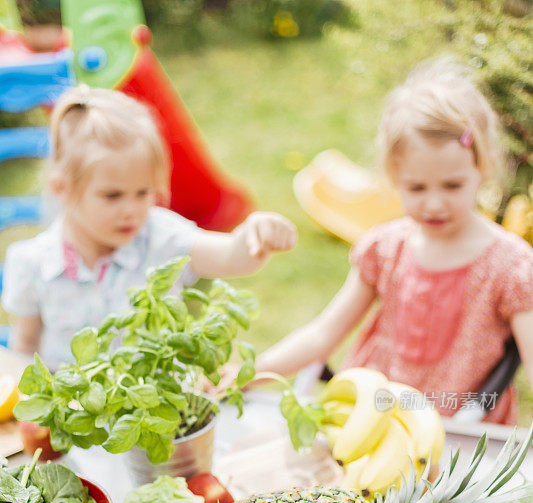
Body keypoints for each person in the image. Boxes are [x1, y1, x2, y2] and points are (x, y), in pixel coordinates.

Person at [254, 59, 533, 424]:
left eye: (452, 185)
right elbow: (323, 334)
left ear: (483, 168)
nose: (434, 203)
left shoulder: (511, 265)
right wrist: (250, 374)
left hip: (462, 432)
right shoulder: (385, 249)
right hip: (372, 421)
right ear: (393, 175)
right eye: (416, 188)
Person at [2, 86, 297, 370]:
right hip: (74, 417)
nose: (131, 210)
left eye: (143, 193)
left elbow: (231, 256)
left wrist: (254, 234)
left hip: (158, 414)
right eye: (112, 195)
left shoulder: (162, 238)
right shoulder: (32, 263)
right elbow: (25, 349)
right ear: (62, 189)